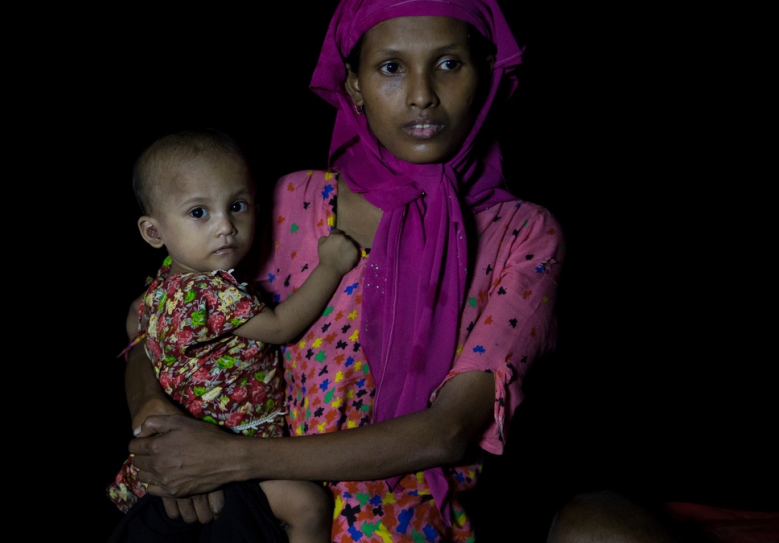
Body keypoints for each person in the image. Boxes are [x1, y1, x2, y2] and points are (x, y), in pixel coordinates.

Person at [119, 1, 566, 541]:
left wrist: (227, 459)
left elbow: (448, 431)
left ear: (487, 73)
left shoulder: (521, 234)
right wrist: (159, 428)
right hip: (264, 520)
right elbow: (160, 321)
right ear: (354, 84)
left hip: (410, 529)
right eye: (391, 67)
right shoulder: (290, 203)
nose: (422, 94)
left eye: (448, 63)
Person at [106, 128, 358, 542]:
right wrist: (330, 265)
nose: (226, 226)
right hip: (224, 449)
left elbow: (135, 330)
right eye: (199, 213)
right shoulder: (212, 292)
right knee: (309, 506)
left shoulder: (156, 291)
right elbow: (282, 327)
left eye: (237, 206)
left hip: (195, 449)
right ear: (154, 232)